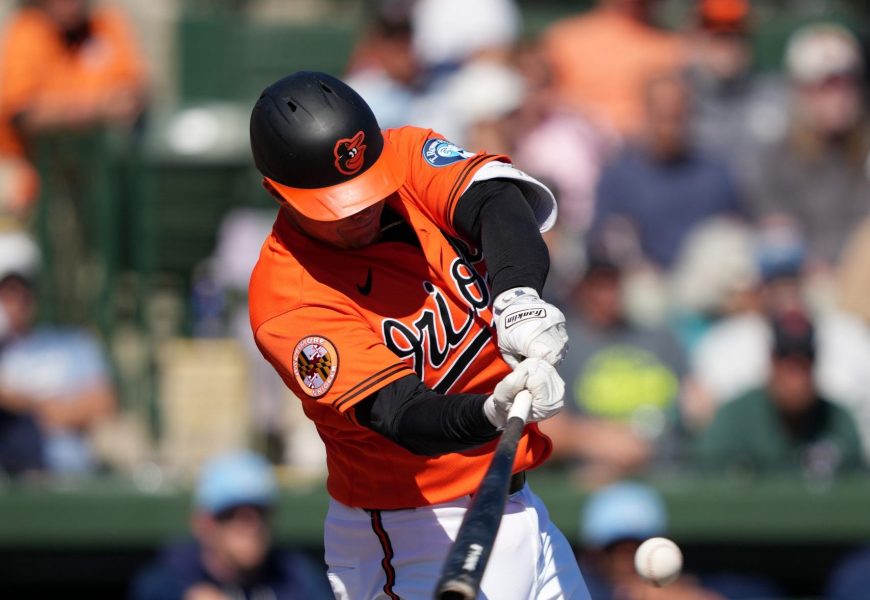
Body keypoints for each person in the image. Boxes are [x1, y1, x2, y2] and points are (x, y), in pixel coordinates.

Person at [247, 71, 589, 598]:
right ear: (277, 191)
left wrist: (517, 297)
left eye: (367, 187)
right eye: (337, 204)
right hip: (415, 531)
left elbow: (498, 201)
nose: (361, 209)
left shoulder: (404, 155)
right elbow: (400, 414)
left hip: (515, 501)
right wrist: (489, 412)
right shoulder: (286, 299)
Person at [590, 71, 744, 271]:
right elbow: (598, 240)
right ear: (646, 114)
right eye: (663, 117)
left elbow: (737, 232)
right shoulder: (619, 176)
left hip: (704, 278)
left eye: (677, 117)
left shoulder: (715, 174)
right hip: (640, 276)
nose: (670, 129)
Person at [130, 450, 332, 600]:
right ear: (205, 523)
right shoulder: (171, 579)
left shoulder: (293, 574)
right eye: (234, 514)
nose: (252, 525)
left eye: (260, 512)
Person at [694, 310, 866, 478]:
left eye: (805, 360)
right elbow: (702, 480)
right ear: (771, 361)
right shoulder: (734, 419)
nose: (796, 376)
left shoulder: (838, 421)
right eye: (786, 359)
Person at [0, 228, 116, 475]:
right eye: (7, 291)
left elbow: (102, 404)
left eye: (23, 289)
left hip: (67, 476)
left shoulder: (73, 343)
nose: (16, 301)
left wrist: (26, 408)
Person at [541, 0, 686, 138]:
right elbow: (545, 97)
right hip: (581, 135)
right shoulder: (566, 37)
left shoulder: (671, 47)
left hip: (643, 141)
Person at [578, 481, 728, 600]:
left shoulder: (681, 590)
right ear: (595, 555)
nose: (630, 561)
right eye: (618, 551)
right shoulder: (574, 588)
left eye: (640, 547)